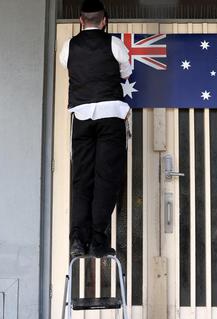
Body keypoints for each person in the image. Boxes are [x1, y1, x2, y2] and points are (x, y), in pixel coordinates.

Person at [59, 0, 133, 257]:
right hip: (110, 116)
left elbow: (67, 66)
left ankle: (78, 240)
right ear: (104, 21)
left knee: (82, 179)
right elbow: (126, 71)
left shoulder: (69, 46)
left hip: (81, 117)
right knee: (106, 178)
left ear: (81, 21)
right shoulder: (114, 43)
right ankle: (98, 241)